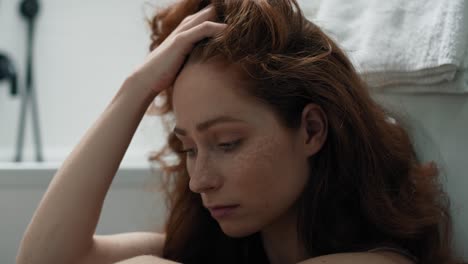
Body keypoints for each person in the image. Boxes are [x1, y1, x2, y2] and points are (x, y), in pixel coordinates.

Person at [16, 0, 464, 264]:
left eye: (227, 143)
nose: (199, 179)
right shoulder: (217, 249)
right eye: (189, 148)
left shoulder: (380, 262)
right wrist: (135, 89)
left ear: (310, 130)